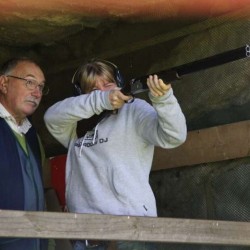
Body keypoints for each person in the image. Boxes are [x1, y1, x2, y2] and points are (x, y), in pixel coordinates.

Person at [44, 59, 187, 250]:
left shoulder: (134, 109)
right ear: (82, 97)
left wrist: (164, 99)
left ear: (119, 84)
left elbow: (174, 136)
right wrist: (102, 100)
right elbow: (51, 116)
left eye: (108, 84)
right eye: (93, 90)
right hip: (84, 236)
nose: (103, 90)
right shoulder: (75, 124)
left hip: (130, 232)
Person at [0, 57, 54, 250]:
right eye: (29, 82)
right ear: (4, 83)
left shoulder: (32, 134)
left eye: (41, 86)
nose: (37, 92)